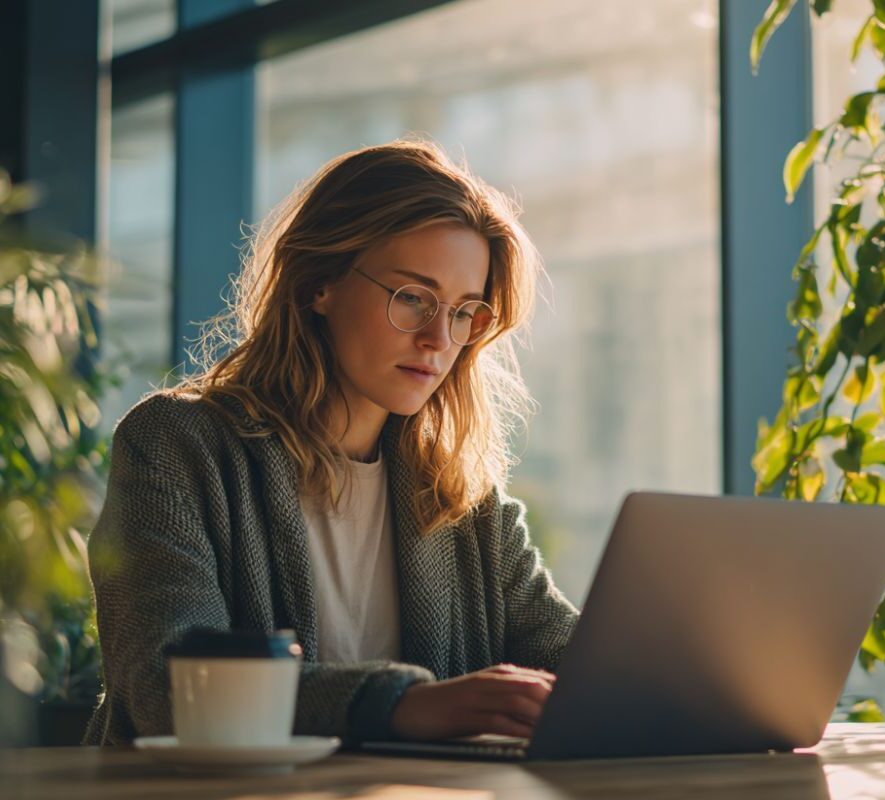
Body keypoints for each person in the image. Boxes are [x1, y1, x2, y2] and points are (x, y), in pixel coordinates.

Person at [84, 138, 579, 746]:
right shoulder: (175, 445)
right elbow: (166, 688)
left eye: (462, 312)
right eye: (412, 298)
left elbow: (575, 666)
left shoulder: (462, 498)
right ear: (320, 282)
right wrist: (400, 705)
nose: (437, 339)